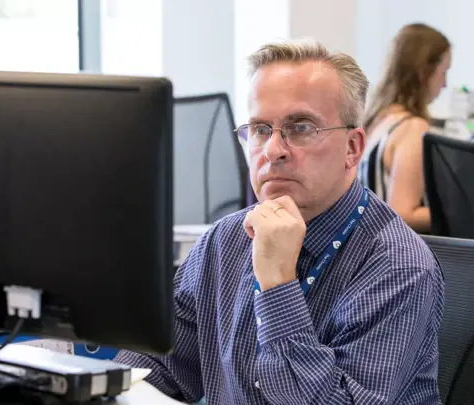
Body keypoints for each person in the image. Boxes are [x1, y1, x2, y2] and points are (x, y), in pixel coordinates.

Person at [115, 39, 445, 405]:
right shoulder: (224, 241)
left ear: (352, 148)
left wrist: (277, 284)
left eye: (300, 127)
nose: (272, 150)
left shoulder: (398, 266)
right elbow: (152, 367)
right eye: (260, 129)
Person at [358, 23, 452, 234]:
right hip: (392, 247)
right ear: (424, 73)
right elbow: (403, 213)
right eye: (444, 72)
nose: (445, 84)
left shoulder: (375, 120)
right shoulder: (412, 128)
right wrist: (460, 210)